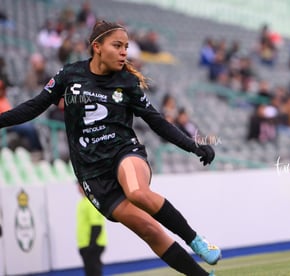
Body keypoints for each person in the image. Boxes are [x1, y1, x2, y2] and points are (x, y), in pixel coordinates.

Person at [0, 20, 220, 276]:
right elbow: (34, 106)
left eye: (126, 46)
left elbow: (157, 122)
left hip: (124, 153)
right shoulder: (69, 76)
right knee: (149, 231)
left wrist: (193, 146)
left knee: (137, 192)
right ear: (98, 47)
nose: (125, 51)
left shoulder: (127, 82)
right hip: (92, 173)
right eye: (118, 45)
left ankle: (195, 239)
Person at [77, 183, 107, 276]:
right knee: (90, 271)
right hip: (85, 244)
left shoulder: (91, 201)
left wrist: (92, 244)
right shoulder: (83, 202)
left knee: (93, 272)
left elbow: (97, 225)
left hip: (92, 244)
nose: (78, 188)